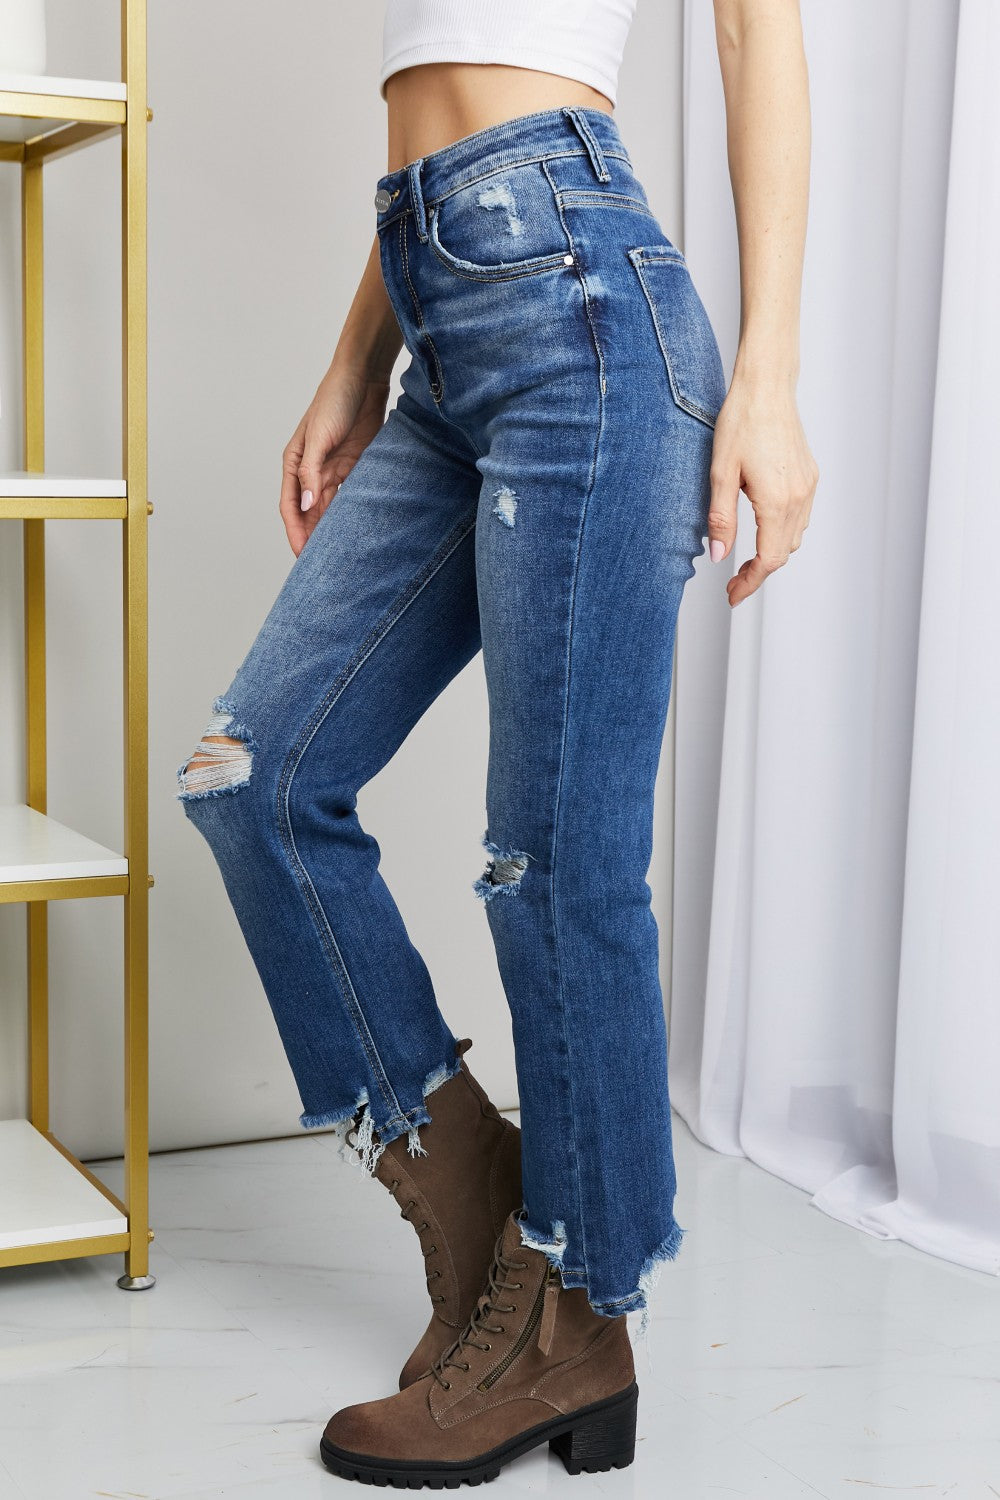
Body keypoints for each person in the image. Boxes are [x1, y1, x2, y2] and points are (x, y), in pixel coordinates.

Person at [175, 0, 818, 1485]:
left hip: (586, 305)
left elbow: (753, 33)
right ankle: (471, 1186)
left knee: (556, 863)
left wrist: (770, 379)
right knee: (255, 777)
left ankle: (578, 1317)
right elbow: (434, 92)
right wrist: (357, 356)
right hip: (441, 304)